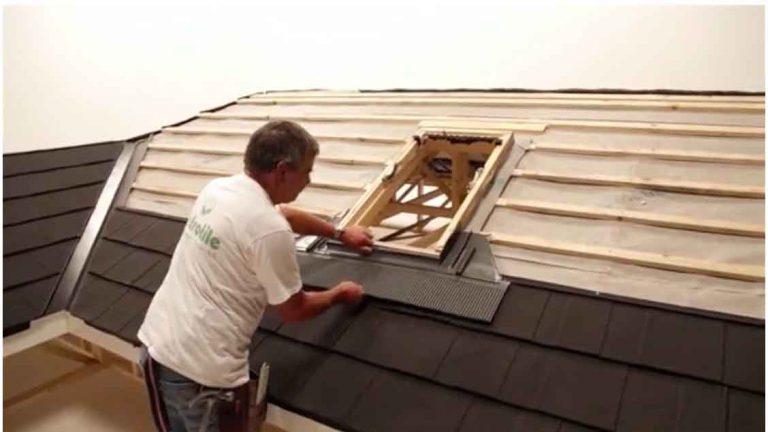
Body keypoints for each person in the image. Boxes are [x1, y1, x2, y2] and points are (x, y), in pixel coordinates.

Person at [137, 120, 374, 431]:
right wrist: (340, 293)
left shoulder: (219, 189)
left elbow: (283, 215)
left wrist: (339, 233)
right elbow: (293, 309)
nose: (309, 180)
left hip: (157, 348)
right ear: (282, 171)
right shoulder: (269, 230)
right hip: (203, 377)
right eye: (307, 171)